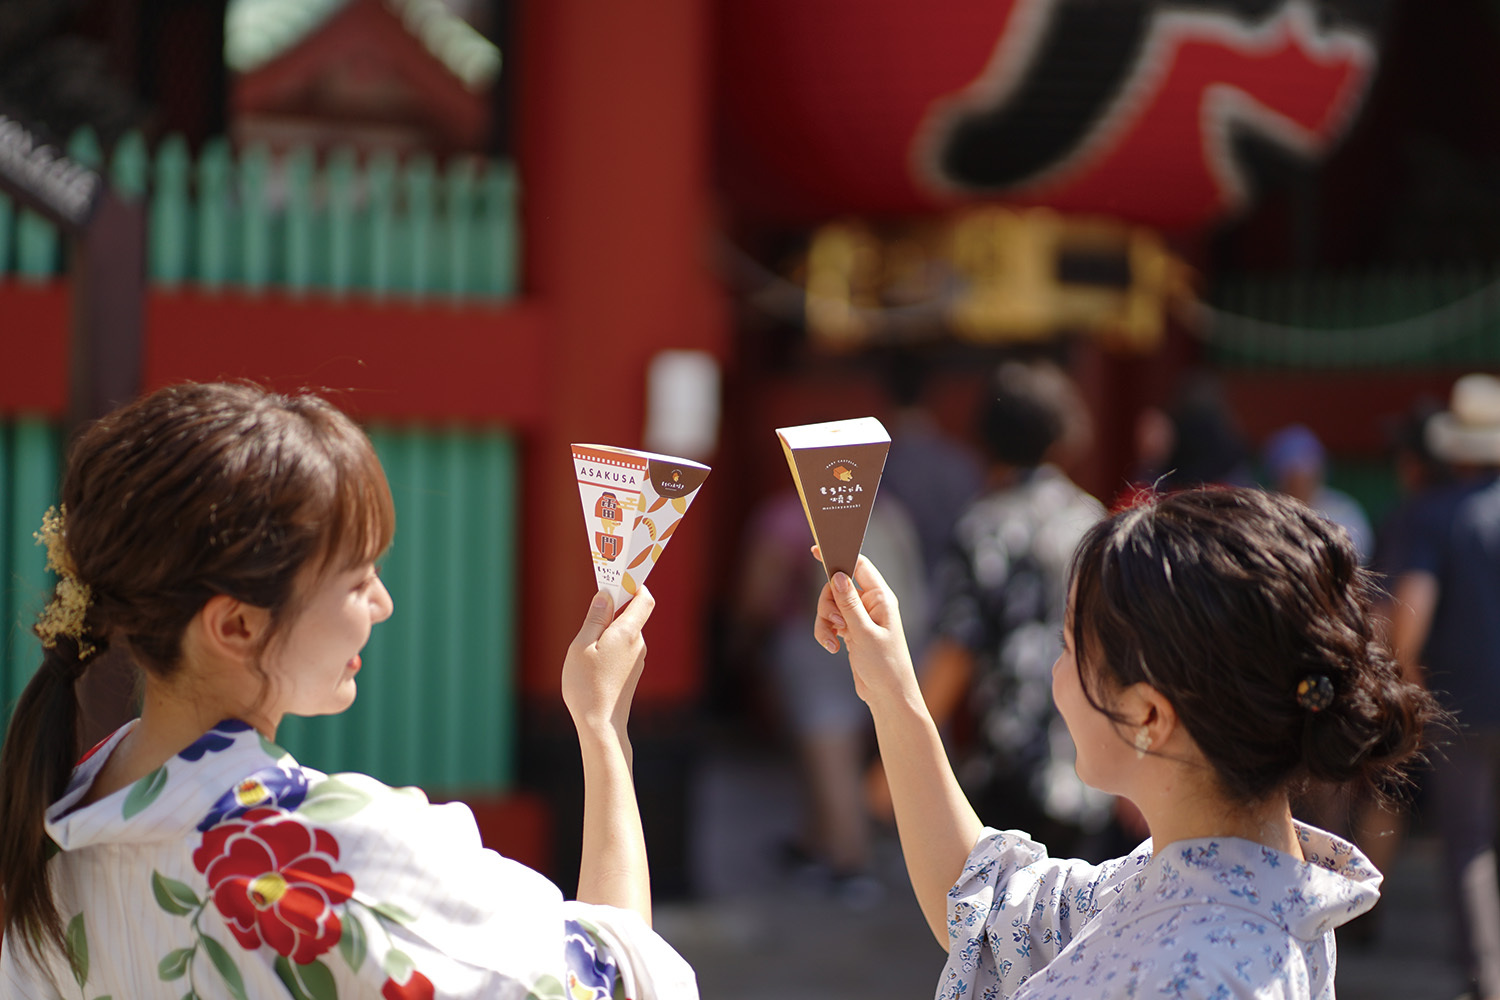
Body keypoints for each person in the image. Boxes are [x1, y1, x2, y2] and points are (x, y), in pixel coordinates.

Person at [0, 382, 696, 999]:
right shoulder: (334, 858)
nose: (383, 603)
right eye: (359, 579)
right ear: (236, 624)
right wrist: (602, 729)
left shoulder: (55, 838)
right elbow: (625, 978)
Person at [813, 486, 1438, 998]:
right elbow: (988, 906)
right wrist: (892, 689)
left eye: (1069, 649)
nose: (1057, 675)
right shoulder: (1215, 874)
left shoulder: (1214, 977)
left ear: (1147, 713)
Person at [917, 360, 1111, 859]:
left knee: (1005, 925)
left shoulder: (986, 525)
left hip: (1011, 763)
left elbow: (956, 648)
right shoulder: (1094, 521)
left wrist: (904, 758)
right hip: (1094, 759)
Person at [734, 487, 927, 906]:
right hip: (883, 637)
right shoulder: (886, 508)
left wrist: (744, 635)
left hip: (816, 641)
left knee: (828, 749)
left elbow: (759, 589)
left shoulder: (790, 512)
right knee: (862, 744)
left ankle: (849, 862)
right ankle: (819, 842)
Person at [1385, 373, 1500, 998]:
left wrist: (1410, 676)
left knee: (1469, 841)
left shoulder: (1434, 515)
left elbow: (1413, 609)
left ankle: (1488, 975)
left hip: (1466, 704)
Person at [1262, 423, 1374, 564]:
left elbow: (1354, 561)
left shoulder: (1344, 510)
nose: (1301, 480)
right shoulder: (1264, 511)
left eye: (1308, 472)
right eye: (1292, 474)